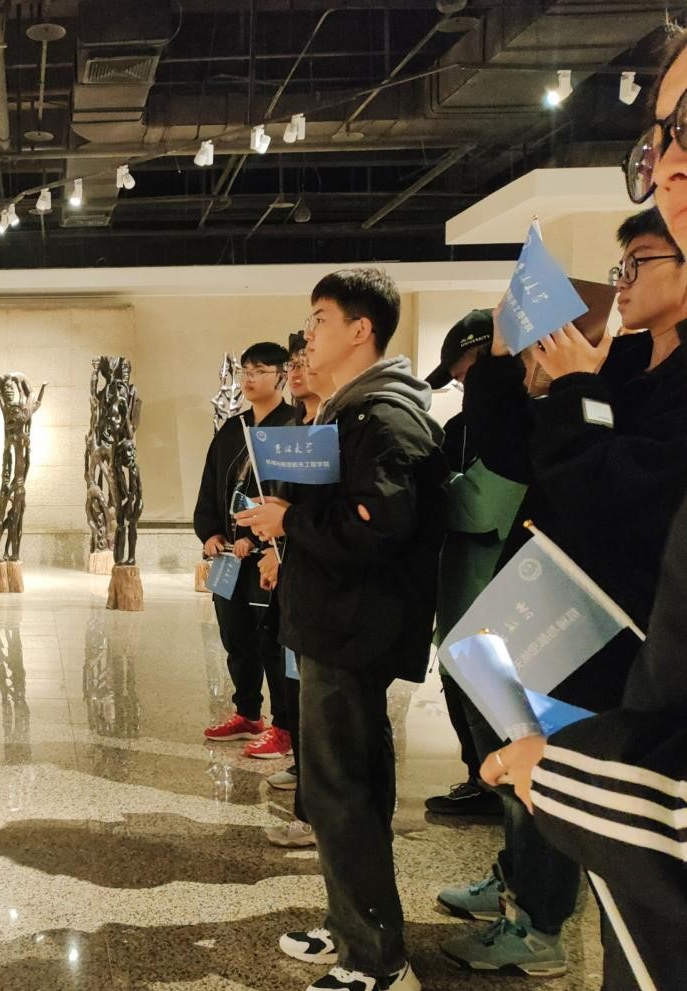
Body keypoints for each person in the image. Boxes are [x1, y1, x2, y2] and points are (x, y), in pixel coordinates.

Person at [474, 33, 687, 991]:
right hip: (572, 629)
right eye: (659, 138)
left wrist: (573, 394)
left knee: (625, 882)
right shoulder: (622, 363)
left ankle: (538, 916)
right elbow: (527, 461)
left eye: (638, 262)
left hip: (624, 654)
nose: (622, 279)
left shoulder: (637, 379)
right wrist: (513, 367)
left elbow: (613, 497)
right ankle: (531, 899)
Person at [238, 268, 447, 991]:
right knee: (343, 786)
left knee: (341, 789)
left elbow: (378, 525)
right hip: (335, 621)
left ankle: (376, 961)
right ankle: (354, 924)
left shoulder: (383, 416)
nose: (308, 334)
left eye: (320, 319)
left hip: (353, 628)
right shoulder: (347, 410)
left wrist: (288, 521)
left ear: (362, 329)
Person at [423, 311, 526, 818]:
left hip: (500, 592)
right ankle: (478, 781)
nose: (462, 384)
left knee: (496, 704)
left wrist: (435, 491)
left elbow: (484, 509)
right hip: (459, 590)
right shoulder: (457, 428)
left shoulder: (524, 422)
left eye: (465, 372)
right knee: (459, 688)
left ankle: (506, 796)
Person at [193, 341, 297, 756]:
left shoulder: (293, 428)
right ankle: (248, 713)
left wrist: (253, 538)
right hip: (228, 558)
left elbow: (287, 494)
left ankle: (284, 724)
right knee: (235, 636)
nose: (249, 379)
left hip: (268, 556)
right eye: (245, 371)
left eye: (259, 371)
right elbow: (210, 485)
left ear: (281, 375)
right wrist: (210, 532)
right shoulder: (232, 429)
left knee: (271, 641)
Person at [260, 330, 322, 848]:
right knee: (299, 696)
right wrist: (275, 548)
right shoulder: (302, 429)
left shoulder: (343, 428)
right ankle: (309, 797)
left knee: (330, 716)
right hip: (295, 585)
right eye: (295, 363)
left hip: (327, 597)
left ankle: (322, 816)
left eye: (307, 360)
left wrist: (288, 532)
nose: (299, 370)